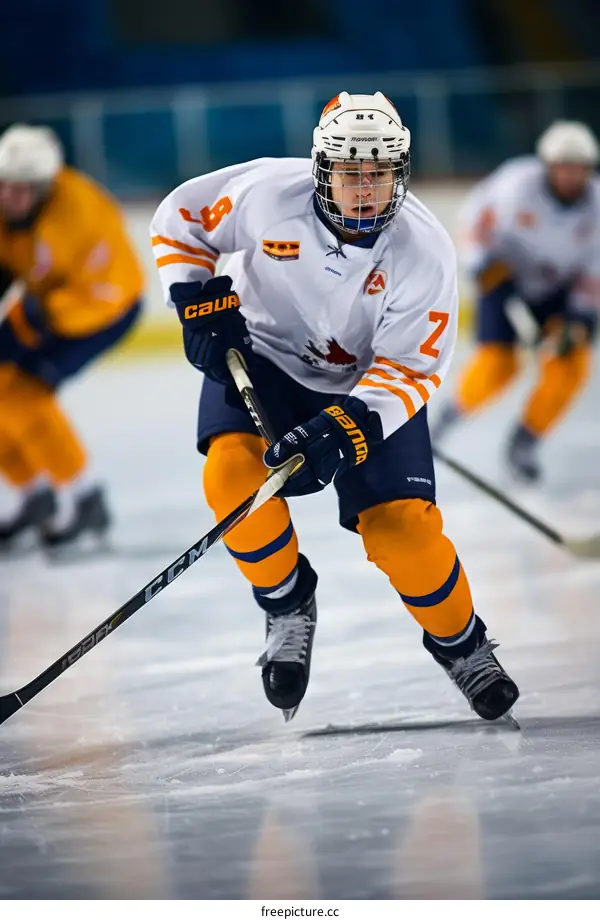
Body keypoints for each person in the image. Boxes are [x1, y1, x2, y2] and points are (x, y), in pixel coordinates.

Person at [151, 92, 519, 722]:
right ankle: (287, 602)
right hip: (262, 358)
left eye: (378, 171)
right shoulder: (267, 193)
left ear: (398, 171)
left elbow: (412, 366)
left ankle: (463, 645)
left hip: (364, 388)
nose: (364, 187)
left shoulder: (422, 249)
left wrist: (350, 425)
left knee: (402, 531)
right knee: (233, 479)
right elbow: (180, 217)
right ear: (322, 167)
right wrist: (195, 299)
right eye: (350, 171)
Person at [0, 124, 145, 550]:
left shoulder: (79, 216)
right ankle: (33, 495)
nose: (9, 197)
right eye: (4, 186)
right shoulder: (18, 206)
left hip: (100, 310)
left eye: (20, 189)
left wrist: (35, 318)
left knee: (25, 394)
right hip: (47, 301)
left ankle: (85, 499)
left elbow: (101, 294)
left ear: (44, 188)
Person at [432, 120, 600, 482]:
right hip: (504, 279)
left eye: (579, 168)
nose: (571, 176)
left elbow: (595, 270)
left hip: (559, 293)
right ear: (548, 165)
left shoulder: (597, 207)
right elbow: (472, 222)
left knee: (571, 364)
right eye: (564, 166)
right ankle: (446, 420)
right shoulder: (515, 184)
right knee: (498, 365)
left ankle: (525, 441)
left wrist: (579, 318)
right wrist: (482, 264)